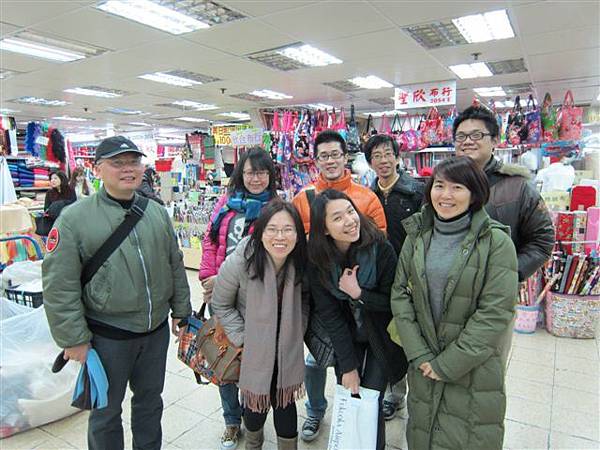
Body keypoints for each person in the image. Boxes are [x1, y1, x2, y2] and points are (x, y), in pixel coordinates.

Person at [42, 135, 192, 450]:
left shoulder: (155, 212)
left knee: (150, 403)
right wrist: (73, 338)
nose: (128, 169)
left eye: (134, 162)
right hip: (107, 336)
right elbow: (59, 285)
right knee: (106, 412)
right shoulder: (74, 219)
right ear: (97, 169)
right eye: (117, 163)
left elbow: (174, 263)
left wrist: (182, 311)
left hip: (154, 333)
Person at [391, 157, 518, 450]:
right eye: (439, 186)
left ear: (474, 193)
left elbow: (495, 313)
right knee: (422, 435)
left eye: (457, 187)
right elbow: (400, 294)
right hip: (423, 365)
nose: (446, 195)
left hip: (472, 369)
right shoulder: (417, 234)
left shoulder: (496, 242)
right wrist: (419, 353)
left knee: (466, 436)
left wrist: (446, 365)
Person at [291, 130, 387, 441]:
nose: (331, 160)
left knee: (369, 390)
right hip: (326, 302)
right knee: (322, 365)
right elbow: (294, 245)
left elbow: (379, 245)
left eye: (336, 154)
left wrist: (359, 291)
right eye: (324, 156)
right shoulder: (303, 199)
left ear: (345, 156)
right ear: (316, 160)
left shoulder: (367, 198)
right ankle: (316, 411)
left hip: (371, 313)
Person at [306, 189, 407, 450]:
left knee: (371, 399)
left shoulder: (380, 247)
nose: (350, 221)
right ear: (324, 229)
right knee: (350, 392)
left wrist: (359, 294)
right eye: (337, 218)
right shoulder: (318, 261)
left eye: (350, 211)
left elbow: (394, 302)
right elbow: (330, 316)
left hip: (381, 333)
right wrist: (348, 366)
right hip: (347, 335)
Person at [211, 200, 308, 450]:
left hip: (286, 348)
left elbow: (306, 301)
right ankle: (253, 444)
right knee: (255, 408)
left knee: (285, 402)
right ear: (261, 232)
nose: (280, 237)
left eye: (288, 229)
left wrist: (296, 330)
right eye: (272, 229)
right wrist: (244, 339)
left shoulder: (301, 262)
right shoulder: (242, 259)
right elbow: (220, 303)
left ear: (298, 233)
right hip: (252, 350)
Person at [199, 147, 278, 450]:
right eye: (250, 172)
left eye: (262, 172)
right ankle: (232, 421)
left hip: (254, 298)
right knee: (225, 358)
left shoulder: (276, 208)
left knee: (253, 360)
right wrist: (208, 276)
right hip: (221, 296)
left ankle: (252, 416)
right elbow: (210, 240)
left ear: (270, 175)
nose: (256, 178)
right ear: (240, 175)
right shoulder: (226, 204)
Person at [453, 106, 554, 281]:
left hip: (495, 291)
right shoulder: (442, 185)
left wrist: (508, 274)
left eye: (476, 135)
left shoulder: (518, 187)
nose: (467, 141)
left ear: (494, 140)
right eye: (461, 136)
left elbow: (542, 241)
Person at [364, 134, 423, 420]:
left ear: (398, 157)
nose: (383, 160)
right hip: (381, 279)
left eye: (388, 154)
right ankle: (395, 393)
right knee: (389, 337)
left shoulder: (417, 192)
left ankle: (417, 396)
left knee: (413, 334)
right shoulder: (367, 196)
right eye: (376, 156)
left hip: (412, 278)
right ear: (370, 163)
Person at [37, 170, 76, 236]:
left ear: (62, 179)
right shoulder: (49, 193)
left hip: (68, 222)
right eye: (51, 179)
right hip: (54, 222)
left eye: (55, 178)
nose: (52, 181)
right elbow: (46, 208)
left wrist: (61, 204)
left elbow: (74, 205)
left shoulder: (70, 190)